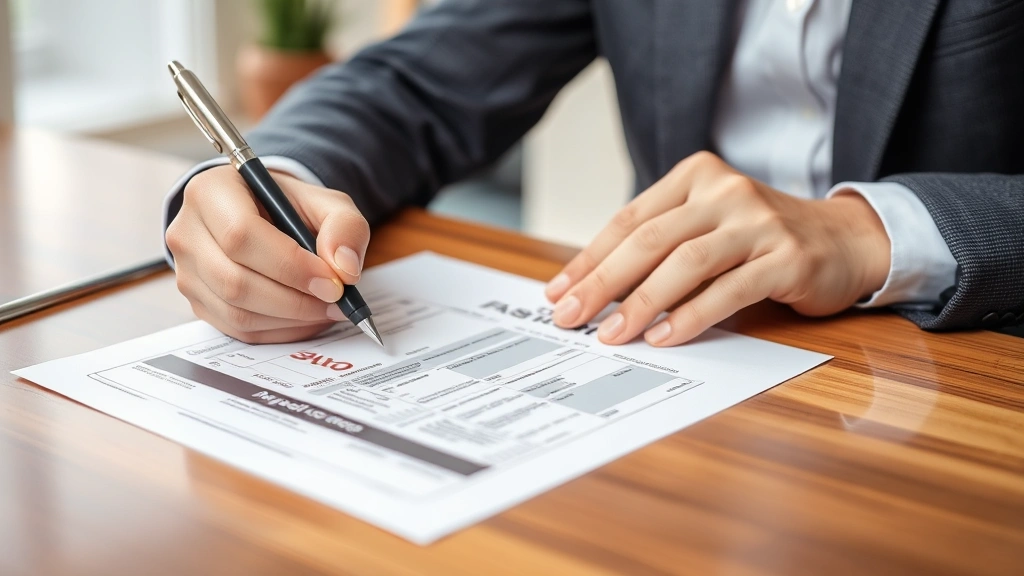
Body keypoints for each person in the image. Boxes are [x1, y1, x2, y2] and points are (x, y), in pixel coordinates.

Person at [163, 0, 1024, 346]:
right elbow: (418, 78)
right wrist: (272, 178)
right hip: (675, 358)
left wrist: (875, 231)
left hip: (962, 379)